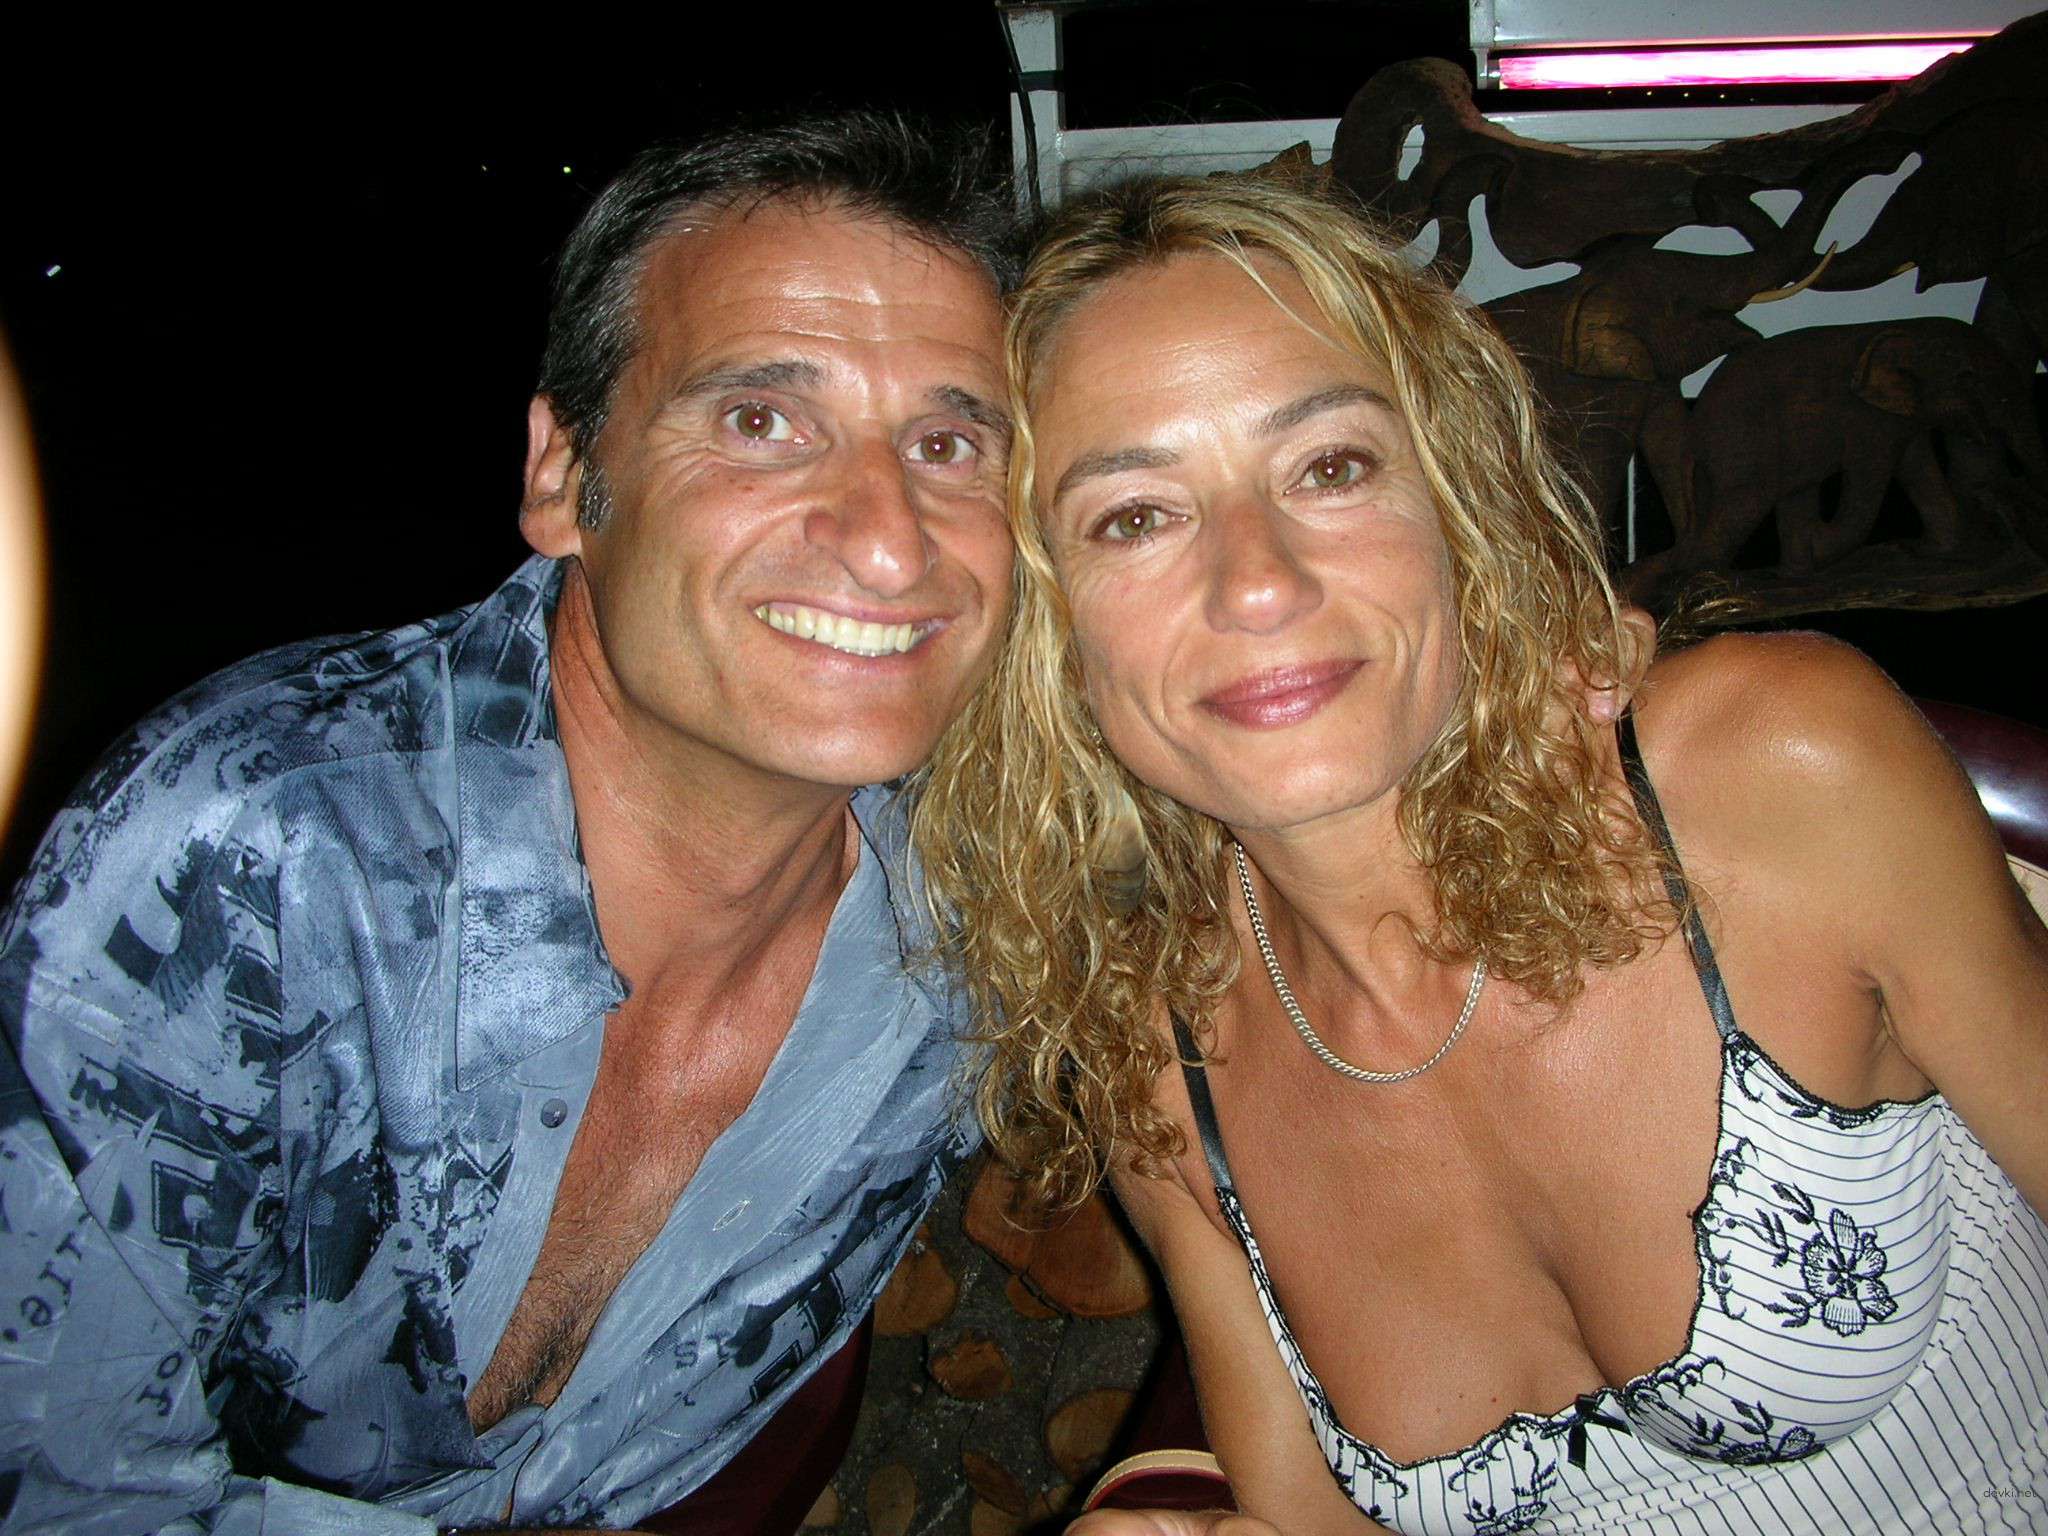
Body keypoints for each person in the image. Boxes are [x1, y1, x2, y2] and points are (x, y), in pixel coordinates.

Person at [914, 174, 2048, 1534]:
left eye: (1330, 467)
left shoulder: (1760, 776)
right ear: (1046, 632)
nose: (1259, 580)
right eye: (1135, 517)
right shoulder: (1154, 1055)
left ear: (1454, 504)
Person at [0, 111, 1018, 1533]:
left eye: (949, 444)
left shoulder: (981, 929)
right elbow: (56, 1491)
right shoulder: (248, 871)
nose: (892, 538)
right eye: (761, 422)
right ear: (562, 476)